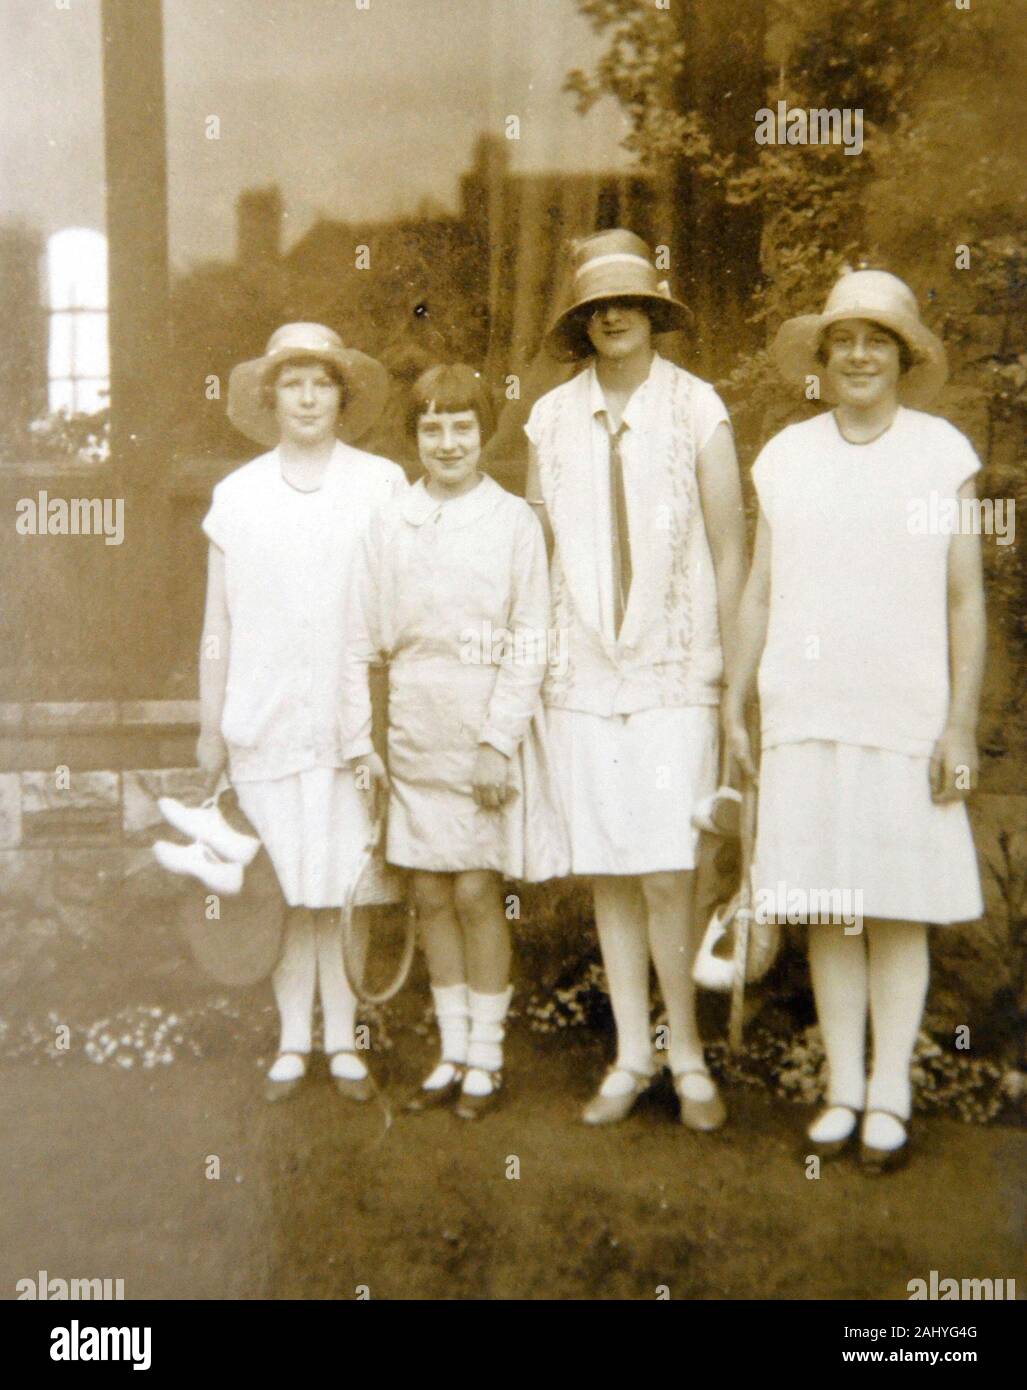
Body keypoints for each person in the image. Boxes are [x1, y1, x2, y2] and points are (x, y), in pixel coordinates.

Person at [723, 269, 986, 1172]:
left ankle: (892, 1093)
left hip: (904, 715)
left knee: (896, 908)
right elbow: (760, 588)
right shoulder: (787, 456)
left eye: (878, 340)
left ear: (904, 356)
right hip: (805, 711)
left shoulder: (940, 452)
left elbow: (962, 601)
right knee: (830, 909)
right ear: (822, 359)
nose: (860, 354)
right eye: (844, 341)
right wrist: (736, 696)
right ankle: (842, 1087)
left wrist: (956, 725)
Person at [525, 230, 747, 1128]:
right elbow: (534, 554)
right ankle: (629, 1053)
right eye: (594, 307)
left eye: (627, 302)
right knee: (609, 872)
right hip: (580, 673)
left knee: (666, 869)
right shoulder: (547, 418)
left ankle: (686, 1056)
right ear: (582, 323)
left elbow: (732, 550)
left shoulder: (698, 410)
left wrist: (733, 678)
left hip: (672, 670)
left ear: (653, 314)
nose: (612, 317)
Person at [343, 364, 566, 1119]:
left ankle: (488, 1056)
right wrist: (368, 741)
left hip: (481, 732)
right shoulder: (388, 522)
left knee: (476, 889)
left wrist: (497, 742)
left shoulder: (512, 524)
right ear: (414, 439)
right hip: (413, 731)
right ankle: (450, 1050)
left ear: (482, 434)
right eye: (432, 429)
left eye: (461, 427)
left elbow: (531, 639)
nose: (447, 443)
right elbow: (362, 639)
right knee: (429, 891)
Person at [199, 322, 406, 1102]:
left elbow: (398, 605)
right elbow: (216, 624)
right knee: (286, 880)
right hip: (265, 713)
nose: (309, 396)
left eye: (322, 382)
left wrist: (385, 722)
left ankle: (346, 1040)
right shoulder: (237, 496)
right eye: (293, 383)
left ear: (341, 394)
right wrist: (208, 722)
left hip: (348, 718)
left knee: (343, 879)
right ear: (270, 396)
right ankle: (292, 1039)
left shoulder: (380, 483)